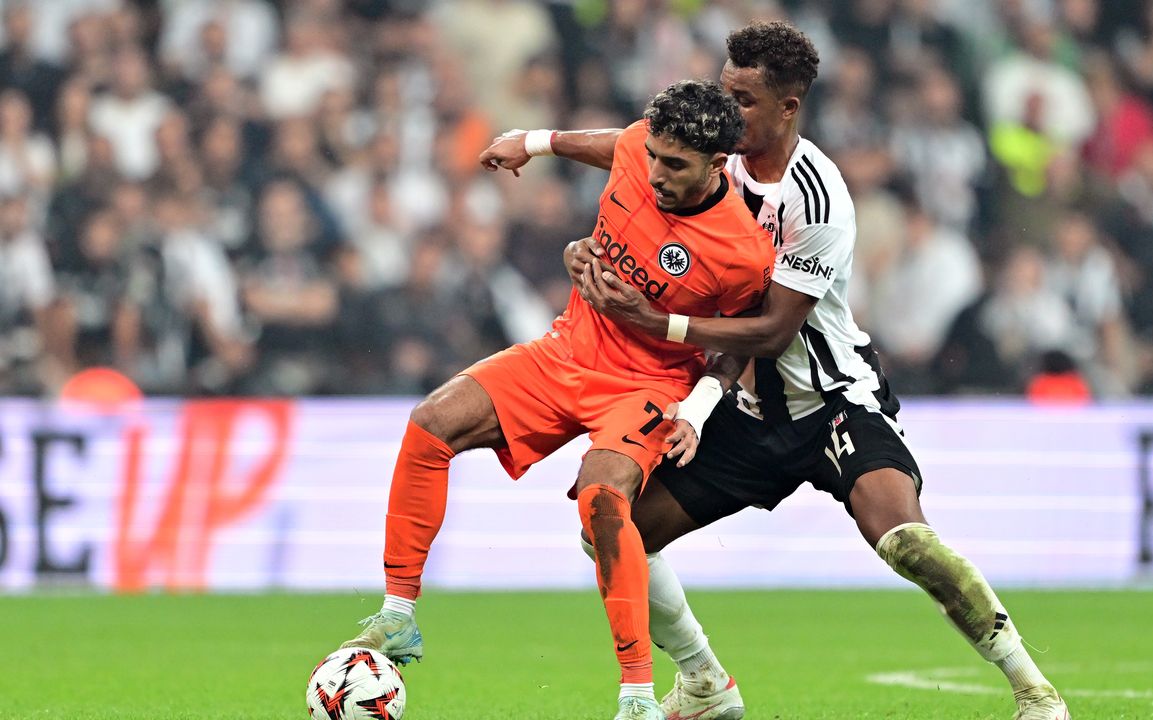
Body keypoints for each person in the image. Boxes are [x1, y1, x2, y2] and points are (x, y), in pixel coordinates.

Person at [480, 20, 1070, 720]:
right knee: (611, 531)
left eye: (744, 101)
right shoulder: (715, 159)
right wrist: (537, 142)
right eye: (725, 91)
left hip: (831, 402)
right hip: (747, 410)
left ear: (788, 108)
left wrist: (655, 322)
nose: (726, 112)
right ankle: (704, 682)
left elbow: (772, 330)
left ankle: (1035, 691)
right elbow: (631, 146)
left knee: (905, 541)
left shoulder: (816, 199)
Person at [344, 79, 776, 720]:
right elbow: (610, 144)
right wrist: (532, 142)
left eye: (674, 165)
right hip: (567, 350)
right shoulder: (639, 148)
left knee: (602, 500)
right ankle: (398, 614)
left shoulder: (741, 252)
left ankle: (637, 696)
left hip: (649, 383)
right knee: (431, 423)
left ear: (718, 165)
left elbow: (738, 344)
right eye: (653, 155)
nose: (655, 172)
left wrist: (698, 407)